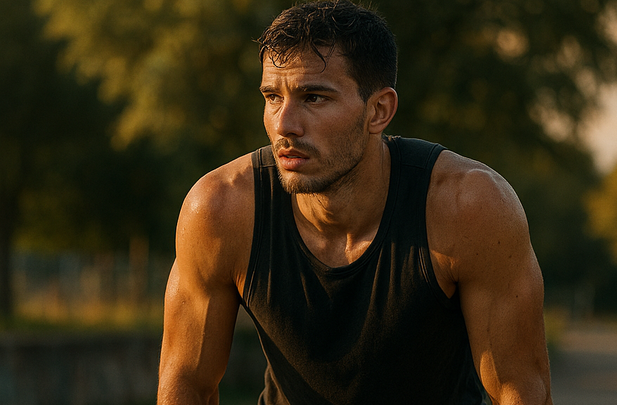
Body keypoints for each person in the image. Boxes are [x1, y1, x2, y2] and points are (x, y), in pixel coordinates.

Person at [157, 1, 553, 404]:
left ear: (378, 111)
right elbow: (187, 383)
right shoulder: (220, 208)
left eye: (314, 97)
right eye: (273, 97)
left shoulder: (467, 206)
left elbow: (519, 390)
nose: (284, 125)